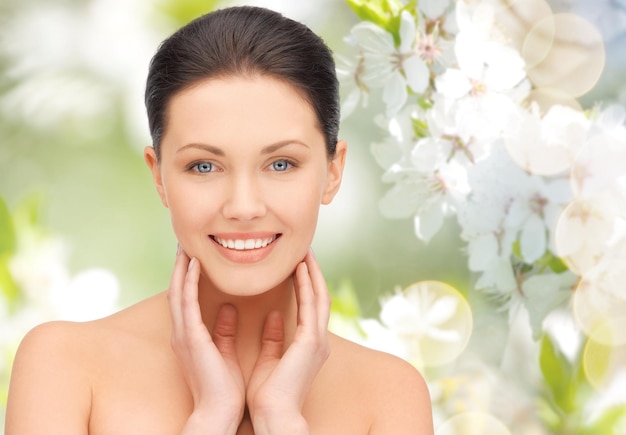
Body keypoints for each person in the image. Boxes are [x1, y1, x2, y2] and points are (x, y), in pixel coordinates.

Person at [5, 6, 433, 434]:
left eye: (281, 164)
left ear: (332, 172)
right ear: (158, 175)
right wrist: (210, 420)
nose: (243, 207)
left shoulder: (389, 394)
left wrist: (280, 420)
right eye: (205, 167)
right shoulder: (65, 365)